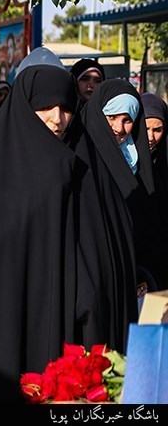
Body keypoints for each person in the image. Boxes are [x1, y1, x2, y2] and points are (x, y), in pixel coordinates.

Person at [0, 64, 98, 401]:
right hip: (0, 319)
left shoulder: (75, 165)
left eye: (65, 108)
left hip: (55, 309)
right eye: (45, 108)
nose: (57, 118)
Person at [77, 80, 154, 316]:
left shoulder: (138, 164)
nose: (119, 128)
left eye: (127, 120)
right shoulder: (77, 160)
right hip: (89, 283)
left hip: (130, 283)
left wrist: (140, 273)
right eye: (111, 117)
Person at [141, 92, 168, 290]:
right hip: (140, 264)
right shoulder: (126, 162)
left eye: (157, 130)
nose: (150, 137)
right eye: (145, 128)